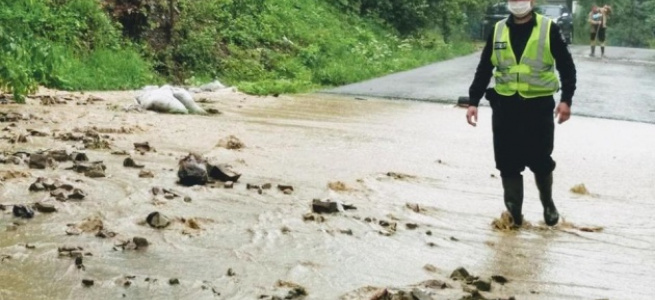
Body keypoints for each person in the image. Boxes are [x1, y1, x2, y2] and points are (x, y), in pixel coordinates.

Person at [465, 0, 577, 227]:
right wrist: (473, 101)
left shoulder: (548, 28)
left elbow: (566, 66)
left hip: (538, 107)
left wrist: (566, 100)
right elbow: (485, 67)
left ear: (532, 2)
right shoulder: (498, 30)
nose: (517, 3)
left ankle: (548, 204)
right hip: (505, 107)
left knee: (541, 160)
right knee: (507, 163)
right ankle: (514, 216)